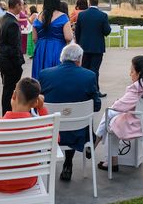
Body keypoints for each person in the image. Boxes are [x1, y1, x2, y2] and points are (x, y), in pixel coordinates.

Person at [93, 56, 143, 171]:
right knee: (112, 118)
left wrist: (116, 102)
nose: (130, 74)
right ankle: (103, 151)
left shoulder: (138, 88)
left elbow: (118, 107)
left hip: (141, 125)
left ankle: (103, 152)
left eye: (132, 71)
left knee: (111, 119)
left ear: (139, 73)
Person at [39, 44, 101, 181]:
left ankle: (52, 164)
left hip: (50, 132)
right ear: (79, 59)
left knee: (65, 120)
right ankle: (69, 162)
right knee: (78, 119)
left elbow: (38, 104)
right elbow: (96, 106)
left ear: (62, 58)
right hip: (78, 132)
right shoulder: (89, 76)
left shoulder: (45, 74)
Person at [0, 78, 50, 193]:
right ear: (35, 102)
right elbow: (55, 139)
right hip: (27, 182)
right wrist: (41, 108)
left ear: (14, 95)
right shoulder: (38, 128)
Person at [75, 0, 112, 97]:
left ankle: (83, 90)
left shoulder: (82, 15)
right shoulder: (103, 15)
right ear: (98, 2)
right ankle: (95, 91)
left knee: (84, 69)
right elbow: (107, 31)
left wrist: (79, 44)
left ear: (89, 2)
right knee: (95, 70)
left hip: (84, 47)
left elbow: (77, 32)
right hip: (97, 48)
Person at [31, 0, 72, 79]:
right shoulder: (63, 16)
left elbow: (34, 38)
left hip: (40, 49)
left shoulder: (37, 17)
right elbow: (68, 37)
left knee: (40, 75)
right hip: (57, 48)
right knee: (56, 76)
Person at [0, 0, 26, 115]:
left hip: (3, 61)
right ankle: (8, 114)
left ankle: (6, 114)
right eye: (22, 4)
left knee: (7, 90)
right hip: (10, 63)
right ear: (17, 5)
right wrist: (19, 64)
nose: (23, 7)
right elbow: (14, 47)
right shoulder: (12, 23)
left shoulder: (3, 19)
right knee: (9, 91)